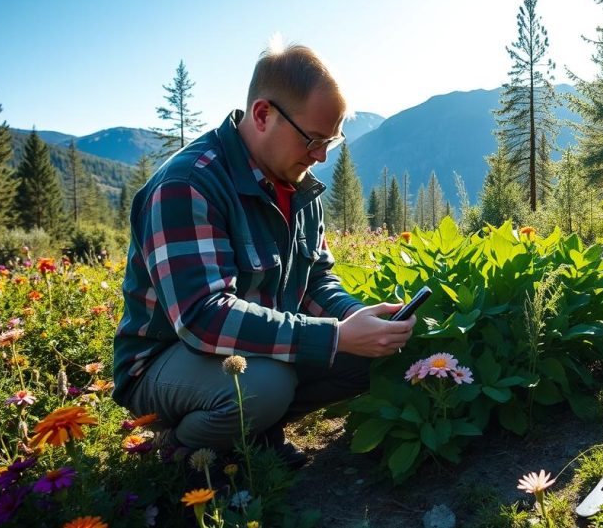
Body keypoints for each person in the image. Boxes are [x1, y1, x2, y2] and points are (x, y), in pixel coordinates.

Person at [111, 43, 415, 466]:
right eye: (312, 139)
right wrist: (335, 336)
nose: (321, 156)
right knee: (262, 385)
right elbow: (204, 317)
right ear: (261, 115)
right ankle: (183, 448)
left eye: (331, 140)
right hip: (164, 361)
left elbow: (316, 281)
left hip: (253, 349)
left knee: (367, 358)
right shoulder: (187, 186)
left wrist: (360, 320)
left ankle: (255, 431)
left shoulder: (301, 188)